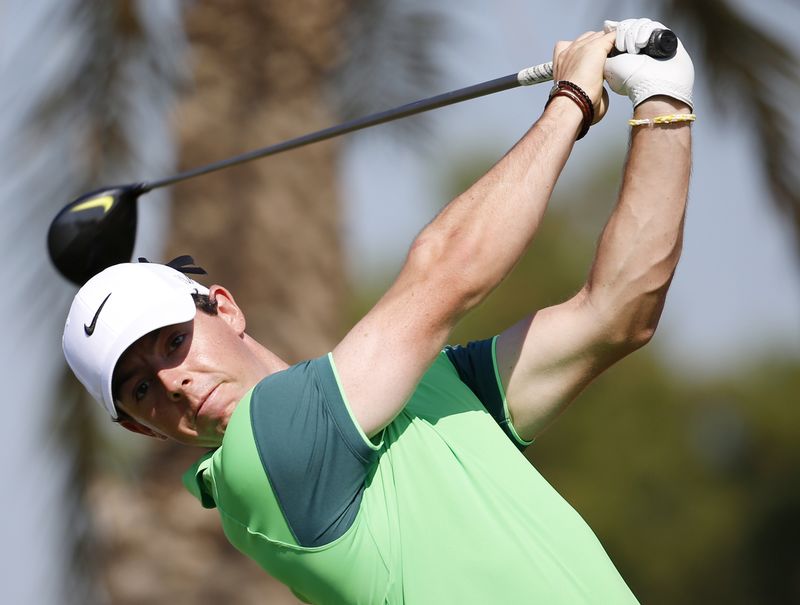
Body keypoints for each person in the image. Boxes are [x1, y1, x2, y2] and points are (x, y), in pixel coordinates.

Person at [62, 18, 694, 604]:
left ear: (224, 309)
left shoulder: (428, 389)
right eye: (141, 389)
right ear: (143, 430)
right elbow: (446, 270)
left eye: (172, 343)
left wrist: (662, 98)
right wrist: (571, 102)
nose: (172, 383)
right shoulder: (263, 454)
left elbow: (616, 314)